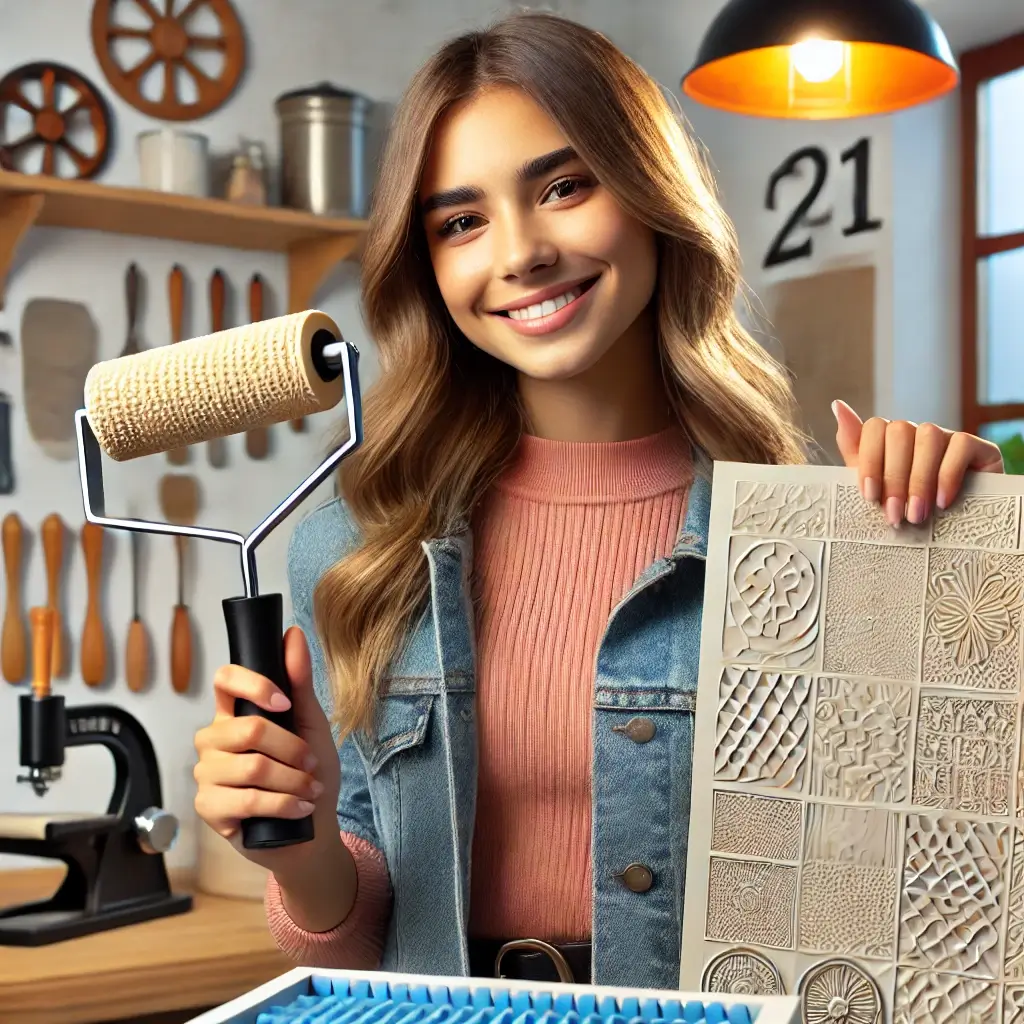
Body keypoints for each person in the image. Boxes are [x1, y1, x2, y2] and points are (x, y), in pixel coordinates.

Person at [192, 8, 1004, 991]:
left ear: (653, 194)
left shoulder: (806, 543)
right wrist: (301, 845)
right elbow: (360, 917)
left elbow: (904, 881)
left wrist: (960, 577)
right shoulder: (353, 548)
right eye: (461, 221)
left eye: (564, 186)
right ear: (429, 266)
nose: (521, 250)